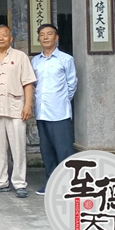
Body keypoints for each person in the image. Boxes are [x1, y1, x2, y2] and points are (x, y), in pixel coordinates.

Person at [0, 25, 36, 199]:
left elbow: (28, 83)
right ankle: (0, 182)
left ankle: (20, 183)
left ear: (10, 39)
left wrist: (27, 105)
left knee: (18, 147)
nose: (1, 38)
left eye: (4, 35)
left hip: (16, 108)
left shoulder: (20, 56)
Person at [31, 24, 78, 196]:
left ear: (56, 37)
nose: (45, 37)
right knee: (47, 151)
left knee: (64, 151)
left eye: (49, 34)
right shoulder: (35, 61)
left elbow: (72, 84)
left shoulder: (66, 59)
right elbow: (34, 85)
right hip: (42, 113)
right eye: (42, 34)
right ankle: (51, 183)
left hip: (59, 113)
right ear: (39, 38)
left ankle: (69, 186)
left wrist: (61, 100)